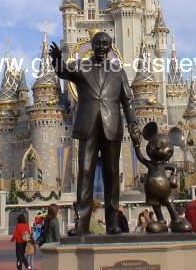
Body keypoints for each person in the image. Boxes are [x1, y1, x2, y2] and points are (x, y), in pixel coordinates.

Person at [50, 32, 141, 236]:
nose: (101, 46)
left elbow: (127, 99)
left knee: (111, 175)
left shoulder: (118, 71)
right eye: (98, 43)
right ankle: (82, 223)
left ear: (110, 47)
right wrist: (57, 60)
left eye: (105, 43)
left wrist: (133, 122)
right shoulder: (83, 66)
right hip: (87, 125)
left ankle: (112, 223)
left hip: (112, 125)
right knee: (85, 172)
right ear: (92, 44)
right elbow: (64, 72)